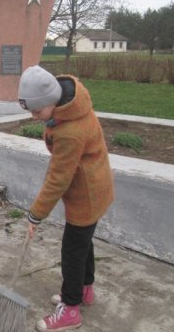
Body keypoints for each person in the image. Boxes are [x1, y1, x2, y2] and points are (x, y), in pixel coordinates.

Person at [18, 66, 114, 331]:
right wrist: (50, 120)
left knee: (72, 251)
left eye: (37, 111)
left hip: (87, 194)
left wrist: (36, 214)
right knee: (83, 244)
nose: (35, 117)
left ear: (52, 101)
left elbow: (59, 179)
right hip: (94, 185)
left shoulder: (71, 132)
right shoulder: (70, 106)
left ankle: (71, 309)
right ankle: (85, 291)